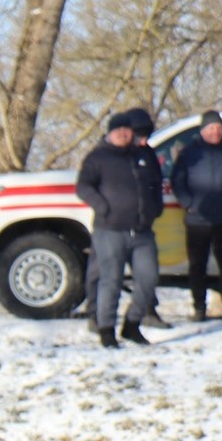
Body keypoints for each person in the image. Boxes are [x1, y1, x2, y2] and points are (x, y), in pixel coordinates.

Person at [75, 110, 163, 347]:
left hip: (142, 231)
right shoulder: (98, 157)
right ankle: (106, 330)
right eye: (119, 131)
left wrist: (155, 208)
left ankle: (132, 325)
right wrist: (102, 206)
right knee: (110, 281)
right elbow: (83, 187)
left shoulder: (141, 155)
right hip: (110, 230)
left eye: (127, 131)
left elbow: (155, 184)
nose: (124, 134)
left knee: (148, 278)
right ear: (110, 133)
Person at [169, 110, 222, 321]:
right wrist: (189, 204)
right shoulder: (189, 153)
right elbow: (177, 181)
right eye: (211, 128)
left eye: (219, 128)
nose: (215, 132)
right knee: (197, 266)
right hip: (197, 219)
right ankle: (199, 308)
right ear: (203, 130)